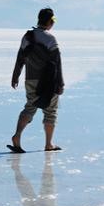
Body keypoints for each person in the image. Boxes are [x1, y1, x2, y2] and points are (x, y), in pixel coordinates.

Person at [8, 8, 64, 153]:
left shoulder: (27, 36)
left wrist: (15, 76)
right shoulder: (50, 39)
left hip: (30, 79)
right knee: (51, 111)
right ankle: (48, 144)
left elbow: (20, 57)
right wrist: (60, 83)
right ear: (50, 21)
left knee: (30, 107)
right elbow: (57, 63)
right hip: (48, 81)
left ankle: (17, 136)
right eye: (53, 21)